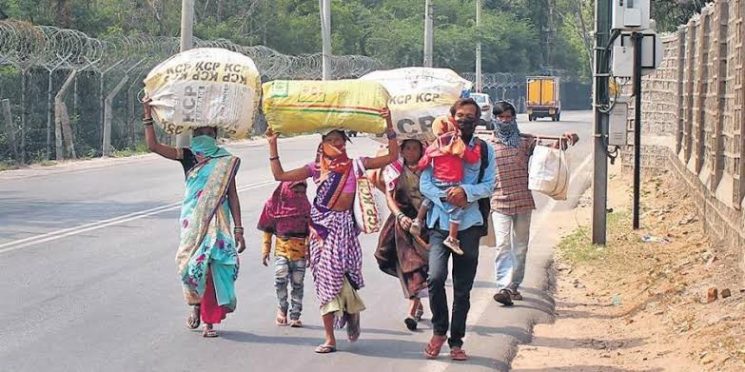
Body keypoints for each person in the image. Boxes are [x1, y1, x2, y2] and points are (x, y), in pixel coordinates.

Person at [265, 108, 398, 354]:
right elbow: (279, 175)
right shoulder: (315, 169)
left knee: (344, 276)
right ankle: (329, 338)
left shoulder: (356, 165)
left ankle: (351, 309)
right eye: (330, 140)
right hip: (320, 230)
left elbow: (391, 156)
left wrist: (388, 122)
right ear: (322, 145)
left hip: (345, 229)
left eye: (339, 139)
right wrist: (272, 145)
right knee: (326, 280)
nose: (336, 144)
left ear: (346, 143)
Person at [142, 98, 245, 338]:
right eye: (200, 130)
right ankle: (195, 306)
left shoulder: (226, 161)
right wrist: (147, 115)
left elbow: (233, 195)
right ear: (193, 133)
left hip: (218, 222)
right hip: (193, 221)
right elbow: (154, 146)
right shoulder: (187, 155)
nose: (204, 134)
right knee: (191, 267)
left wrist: (239, 229)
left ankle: (209, 321)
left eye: (209, 131)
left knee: (211, 266)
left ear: (215, 133)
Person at [421, 98, 495, 361]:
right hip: (440, 225)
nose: (465, 120)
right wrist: (444, 197)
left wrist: (466, 192)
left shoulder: (484, 150)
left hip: (469, 226)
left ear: (477, 120)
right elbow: (425, 181)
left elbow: (489, 184)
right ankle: (439, 330)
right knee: (435, 278)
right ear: (452, 117)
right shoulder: (438, 143)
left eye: (470, 116)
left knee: (463, 289)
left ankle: (456, 341)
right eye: (460, 115)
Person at [489, 101, 579, 306]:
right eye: (501, 117)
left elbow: (548, 153)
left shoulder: (525, 142)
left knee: (520, 247)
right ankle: (503, 285)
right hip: (498, 202)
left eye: (509, 116)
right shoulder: (487, 143)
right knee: (503, 245)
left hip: (523, 201)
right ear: (495, 119)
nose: (505, 120)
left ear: (513, 118)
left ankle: (513, 286)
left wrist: (565, 140)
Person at [374, 139, 430, 331]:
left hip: (425, 224)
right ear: (402, 150)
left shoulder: (429, 168)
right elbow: (389, 196)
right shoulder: (394, 169)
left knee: (417, 265)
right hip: (401, 222)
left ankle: (411, 312)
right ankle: (417, 301)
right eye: (408, 148)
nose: (412, 151)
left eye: (416, 148)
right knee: (401, 262)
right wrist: (400, 216)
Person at [412, 116, 481, 255]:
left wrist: (417, 167)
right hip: (453, 184)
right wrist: (478, 147)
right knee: (459, 207)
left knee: (430, 199)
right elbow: (472, 158)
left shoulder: (435, 146)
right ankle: (452, 237)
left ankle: (418, 220)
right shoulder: (457, 144)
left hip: (438, 181)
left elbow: (424, 162)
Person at [257, 180, 311, 328]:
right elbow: (268, 230)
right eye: (296, 192)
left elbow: (310, 233)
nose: (299, 195)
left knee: (298, 283)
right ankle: (282, 309)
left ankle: (295, 315)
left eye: (302, 192)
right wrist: (265, 250)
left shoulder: (306, 207)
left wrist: (310, 253)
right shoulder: (274, 205)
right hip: (282, 249)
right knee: (280, 279)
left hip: (300, 252)